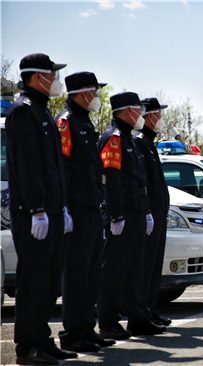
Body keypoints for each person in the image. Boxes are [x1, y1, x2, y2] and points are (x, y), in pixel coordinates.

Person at [6, 53, 76, 365]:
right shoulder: (23, 111)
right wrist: (36, 208)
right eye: (52, 74)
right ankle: (26, 346)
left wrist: (62, 207)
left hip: (52, 210)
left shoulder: (44, 112)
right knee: (33, 281)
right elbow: (26, 166)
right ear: (38, 77)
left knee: (48, 282)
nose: (56, 79)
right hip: (34, 213)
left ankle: (42, 338)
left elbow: (54, 167)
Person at [55, 72, 116, 353]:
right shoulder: (66, 122)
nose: (97, 97)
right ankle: (72, 333)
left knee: (91, 272)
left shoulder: (84, 121)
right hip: (76, 208)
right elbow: (62, 167)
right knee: (77, 273)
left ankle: (87, 329)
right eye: (95, 91)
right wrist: (64, 206)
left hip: (91, 206)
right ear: (82, 92)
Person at [97, 92, 166, 340]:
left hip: (136, 212)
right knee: (115, 271)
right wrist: (115, 215)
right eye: (138, 109)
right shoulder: (114, 138)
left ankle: (138, 320)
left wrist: (146, 211)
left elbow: (140, 181)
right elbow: (111, 180)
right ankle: (108, 322)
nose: (142, 114)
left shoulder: (127, 138)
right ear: (128, 110)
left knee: (135, 270)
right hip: (122, 214)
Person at [132, 97, 171, 326]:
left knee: (154, 265)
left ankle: (150, 308)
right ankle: (142, 310)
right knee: (145, 266)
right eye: (158, 114)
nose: (161, 119)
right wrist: (147, 211)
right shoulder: (139, 141)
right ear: (147, 115)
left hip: (158, 214)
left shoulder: (149, 142)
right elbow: (142, 181)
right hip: (149, 215)